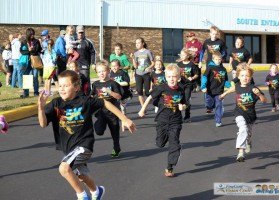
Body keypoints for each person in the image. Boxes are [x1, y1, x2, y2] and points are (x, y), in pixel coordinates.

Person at [38, 70, 136, 200]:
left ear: (76, 87)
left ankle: (82, 196)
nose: (62, 89)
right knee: (81, 176)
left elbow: (105, 103)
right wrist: (40, 108)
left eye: (66, 85)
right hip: (69, 148)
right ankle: (96, 191)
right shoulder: (56, 103)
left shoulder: (84, 101)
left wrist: (124, 119)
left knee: (64, 168)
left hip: (84, 145)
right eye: (60, 86)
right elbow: (43, 124)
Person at [138, 64, 186, 177]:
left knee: (174, 143)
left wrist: (182, 107)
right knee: (160, 144)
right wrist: (142, 109)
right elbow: (150, 97)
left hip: (176, 121)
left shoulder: (181, 89)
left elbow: (184, 103)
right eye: (169, 76)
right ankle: (166, 144)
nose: (172, 79)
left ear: (179, 77)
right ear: (165, 77)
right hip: (162, 120)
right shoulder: (161, 88)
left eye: (174, 76)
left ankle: (170, 168)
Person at [220, 63, 267, 162]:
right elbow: (233, 89)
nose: (245, 78)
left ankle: (249, 142)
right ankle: (241, 152)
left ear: (250, 77)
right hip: (239, 113)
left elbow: (264, 100)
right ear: (238, 77)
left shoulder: (253, 88)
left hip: (251, 116)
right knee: (243, 129)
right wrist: (224, 94)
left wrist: (258, 94)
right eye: (242, 75)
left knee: (248, 133)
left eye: (247, 76)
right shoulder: (237, 86)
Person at [91, 61, 123, 158]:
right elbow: (92, 95)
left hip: (113, 113)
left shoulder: (113, 83)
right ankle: (98, 123)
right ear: (96, 73)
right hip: (101, 112)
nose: (101, 73)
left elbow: (119, 96)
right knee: (99, 131)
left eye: (103, 71)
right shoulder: (95, 84)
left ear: (108, 71)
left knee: (115, 133)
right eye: (99, 72)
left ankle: (116, 148)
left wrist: (110, 92)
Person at [201, 52, 231, 127]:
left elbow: (225, 80)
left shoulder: (223, 69)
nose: (218, 61)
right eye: (216, 59)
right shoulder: (210, 68)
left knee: (219, 105)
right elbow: (204, 77)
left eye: (219, 59)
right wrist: (203, 86)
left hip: (219, 91)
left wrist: (229, 85)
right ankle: (209, 107)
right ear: (213, 59)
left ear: (221, 59)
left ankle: (218, 121)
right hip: (210, 90)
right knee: (209, 103)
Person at [130, 37, 154, 108]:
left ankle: (152, 103)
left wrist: (148, 67)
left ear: (143, 43)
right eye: (136, 43)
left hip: (146, 74)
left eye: (138, 43)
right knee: (139, 92)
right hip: (138, 74)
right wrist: (133, 58)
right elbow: (135, 66)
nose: (137, 44)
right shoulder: (135, 53)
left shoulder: (148, 52)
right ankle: (143, 107)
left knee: (147, 92)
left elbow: (153, 63)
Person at [177, 48, 199, 122]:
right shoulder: (178, 64)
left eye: (183, 54)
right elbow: (175, 73)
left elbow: (197, 74)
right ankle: (178, 116)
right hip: (179, 85)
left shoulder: (192, 64)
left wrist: (192, 78)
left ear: (187, 55)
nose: (182, 56)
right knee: (179, 100)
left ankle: (187, 116)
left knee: (186, 100)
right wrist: (177, 78)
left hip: (188, 85)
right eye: (181, 55)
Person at [22, 28, 42, 97]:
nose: (32, 36)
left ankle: (36, 92)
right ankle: (26, 93)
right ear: (28, 34)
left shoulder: (36, 41)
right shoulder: (24, 42)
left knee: (35, 76)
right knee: (27, 76)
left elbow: (39, 50)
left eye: (33, 34)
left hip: (35, 60)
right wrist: (28, 50)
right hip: (27, 61)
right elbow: (21, 51)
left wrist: (33, 50)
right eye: (31, 34)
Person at [76, 25, 96, 91]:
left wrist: (93, 63)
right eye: (79, 32)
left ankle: (88, 95)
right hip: (75, 66)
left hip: (85, 65)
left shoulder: (88, 42)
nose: (81, 34)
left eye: (82, 32)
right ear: (76, 32)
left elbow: (93, 53)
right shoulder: (73, 41)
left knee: (86, 81)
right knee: (76, 81)